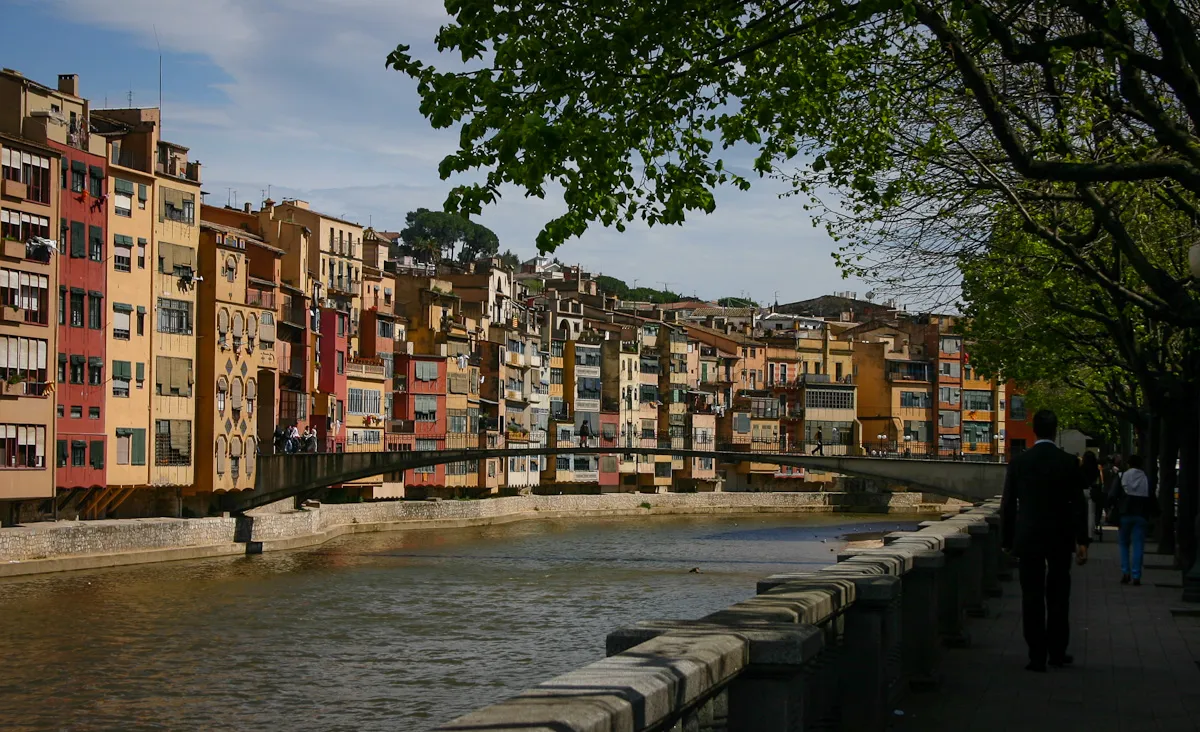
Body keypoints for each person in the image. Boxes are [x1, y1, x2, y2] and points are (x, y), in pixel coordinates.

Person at [1001, 409, 1089, 672]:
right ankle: (1058, 652)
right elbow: (1078, 504)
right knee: (1059, 595)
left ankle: (1036, 655)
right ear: (1055, 430)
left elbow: (1008, 505)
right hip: (1061, 536)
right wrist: (1082, 540)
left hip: (1029, 537)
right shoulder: (1069, 462)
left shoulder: (1020, 462)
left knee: (1031, 595)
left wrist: (1008, 540)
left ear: (1034, 431)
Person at [1113, 454, 1152, 586]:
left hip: (1125, 513)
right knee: (1138, 545)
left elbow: (1112, 495)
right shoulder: (1146, 478)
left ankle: (1125, 572)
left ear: (1128, 464)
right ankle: (1136, 575)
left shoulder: (1122, 476)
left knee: (1124, 544)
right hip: (1141, 515)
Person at [1082, 452, 1106, 542]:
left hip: (1083, 491)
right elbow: (1100, 482)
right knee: (1092, 513)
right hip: (1093, 492)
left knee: (1083, 513)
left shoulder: (1081, 468)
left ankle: (1082, 531)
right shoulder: (1096, 469)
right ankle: (1090, 534)